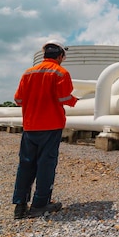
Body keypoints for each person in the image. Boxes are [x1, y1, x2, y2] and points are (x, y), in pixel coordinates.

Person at [12, 39, 79, 219]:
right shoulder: (60, 72)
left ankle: (20, 206)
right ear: (60, 56)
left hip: (30, 126)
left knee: (26, 165)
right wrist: (74, 101)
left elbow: (18, 100)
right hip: (50, 126)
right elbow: (64, 98)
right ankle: (40, 204)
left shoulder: (28, 73)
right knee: (46, 165)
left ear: (44, 54)